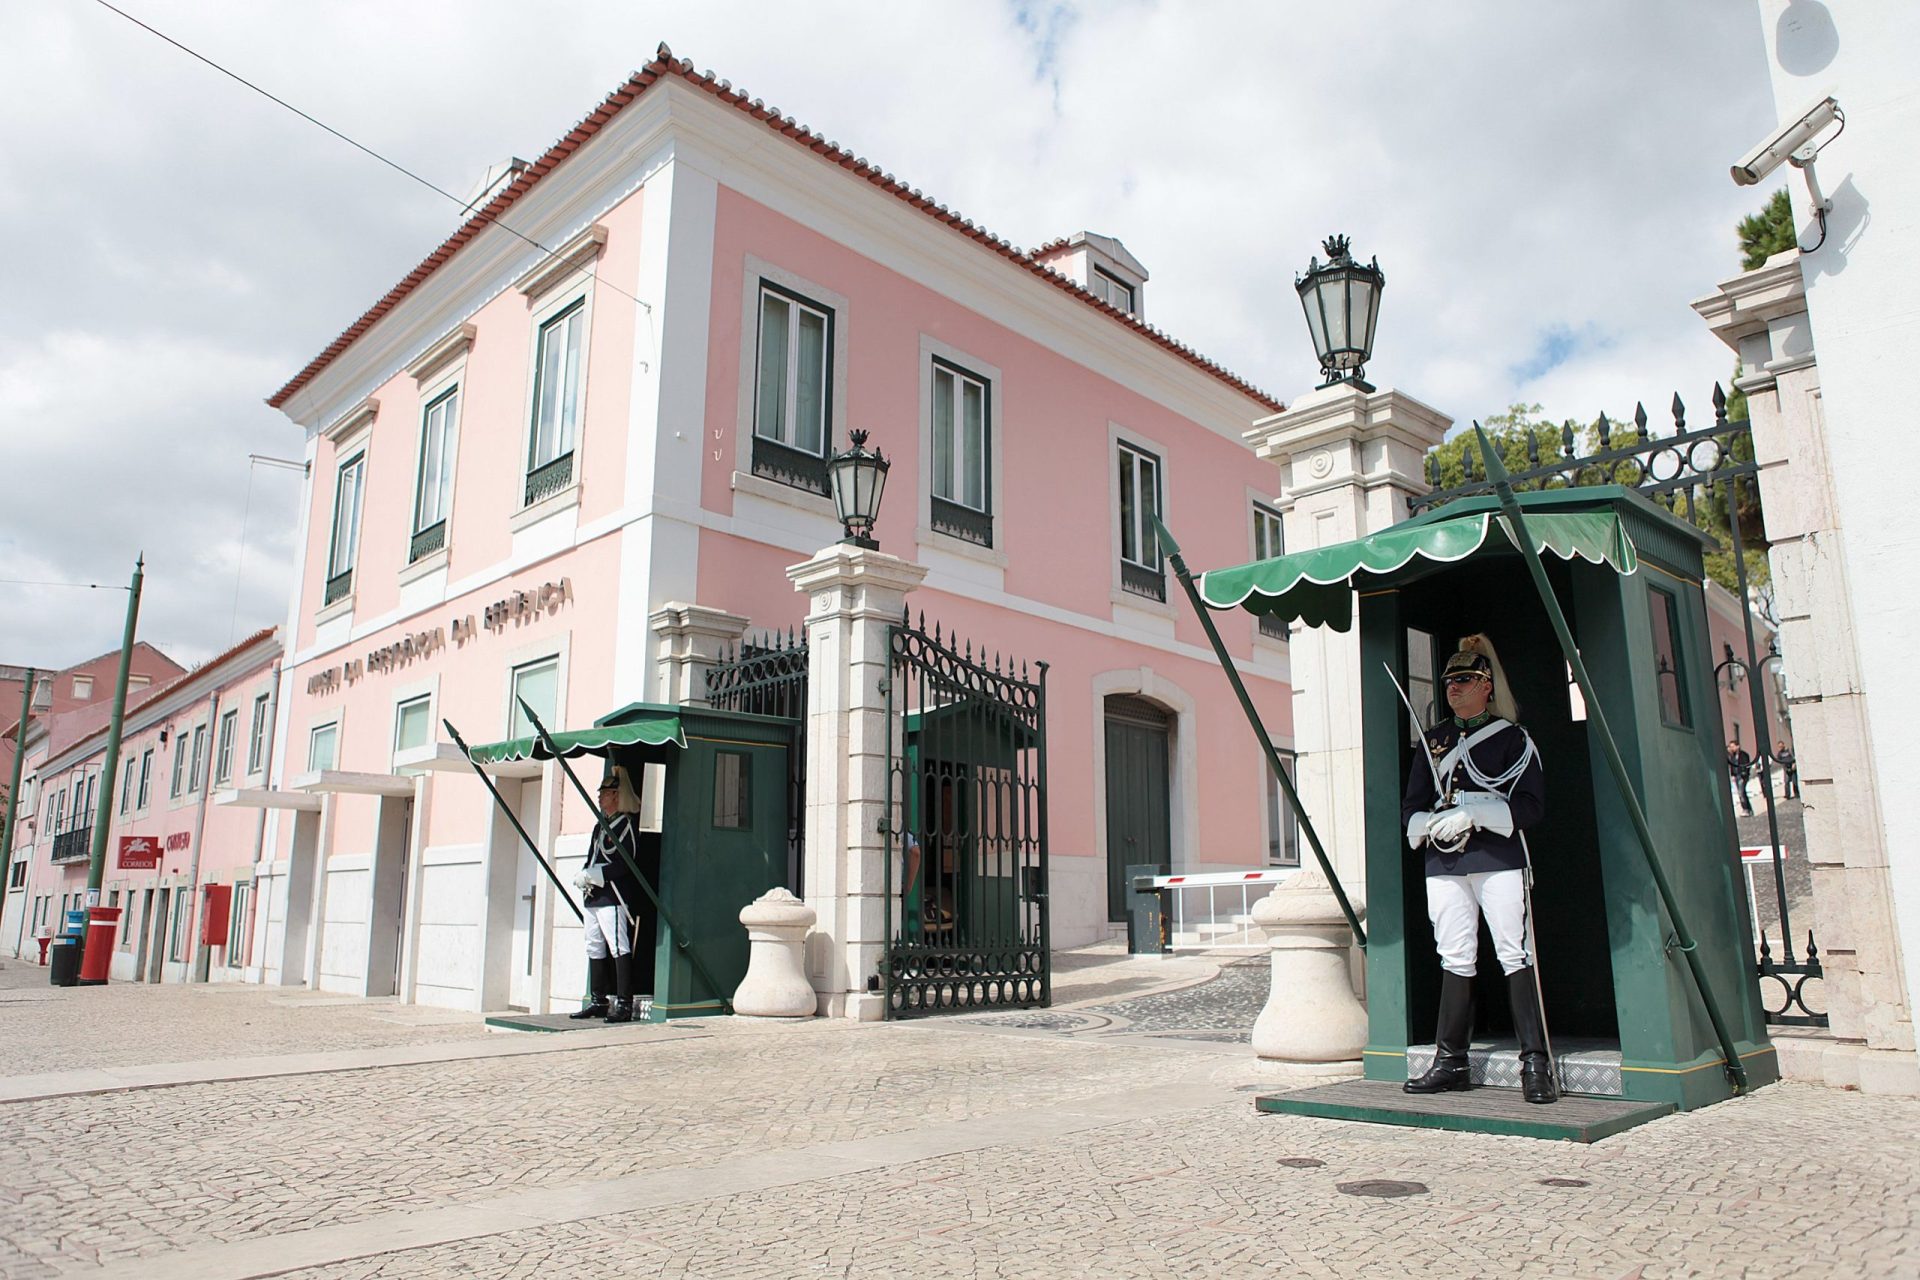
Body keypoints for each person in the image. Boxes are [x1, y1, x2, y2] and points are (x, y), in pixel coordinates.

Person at [1401, 635, 1556, 1105]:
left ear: (1487, 686)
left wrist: (1476, 814)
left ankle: (1535, 1062)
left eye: (1465, 679)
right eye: (1449, 680)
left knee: (1514, 952)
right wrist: (1431, 824)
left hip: (1497, 857)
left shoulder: (1513, 738)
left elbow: (1530, 807)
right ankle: (1451, 1062)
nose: (1453, 687)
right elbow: (1411, 807)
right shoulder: (1435, 742)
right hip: (1445, 860)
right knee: (1454, 955)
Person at [569, 762, 645, 1023]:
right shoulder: (601, 825)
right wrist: (585, 874)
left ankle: (624, 1002)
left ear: (616, 796)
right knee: (593, 946)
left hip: (613, 895)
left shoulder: (625, 825)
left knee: (618, 946)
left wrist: (598, 874)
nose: (600, 797)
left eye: (605, 793)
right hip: (594, 895)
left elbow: (626, 861)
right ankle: (598, 1000)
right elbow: (593, 856)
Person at [1727, 741, 1754, 816]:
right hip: (1736, 775)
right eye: (1730, 747)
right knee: (1743, 793)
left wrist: (1745, 773)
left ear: (1737, 746)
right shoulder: (1732, 756)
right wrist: (1732, 775)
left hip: (1742, 776)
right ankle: (1749, 809)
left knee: (1741, 793)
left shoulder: (1743, 755)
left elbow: (1746, 765)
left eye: (1733, 746)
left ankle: (1745, 809)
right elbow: (1732, 765)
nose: (1731, 748)